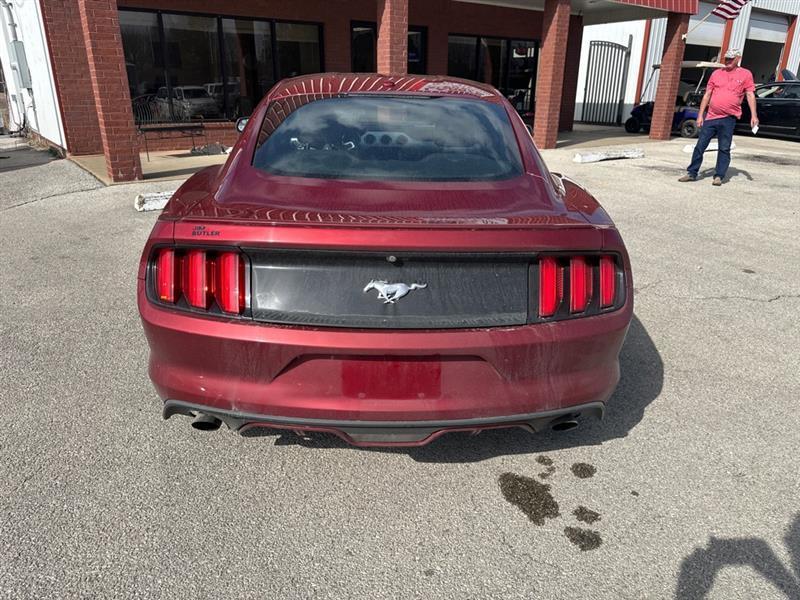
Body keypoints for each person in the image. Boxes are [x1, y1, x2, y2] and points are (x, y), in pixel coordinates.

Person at [679, 49, 758, 186]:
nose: (727, 61)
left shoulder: (745, 74)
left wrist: (754, 115)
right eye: (726, 58)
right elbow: (707, 95)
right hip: (711, 117)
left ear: (738, 58)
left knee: (724, 148)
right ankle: (692, 173)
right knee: (700, 146)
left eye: (730, 59)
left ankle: (719, 176)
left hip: (729, 118)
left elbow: (750, 95)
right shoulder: (716, 74)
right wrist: (700, 115)